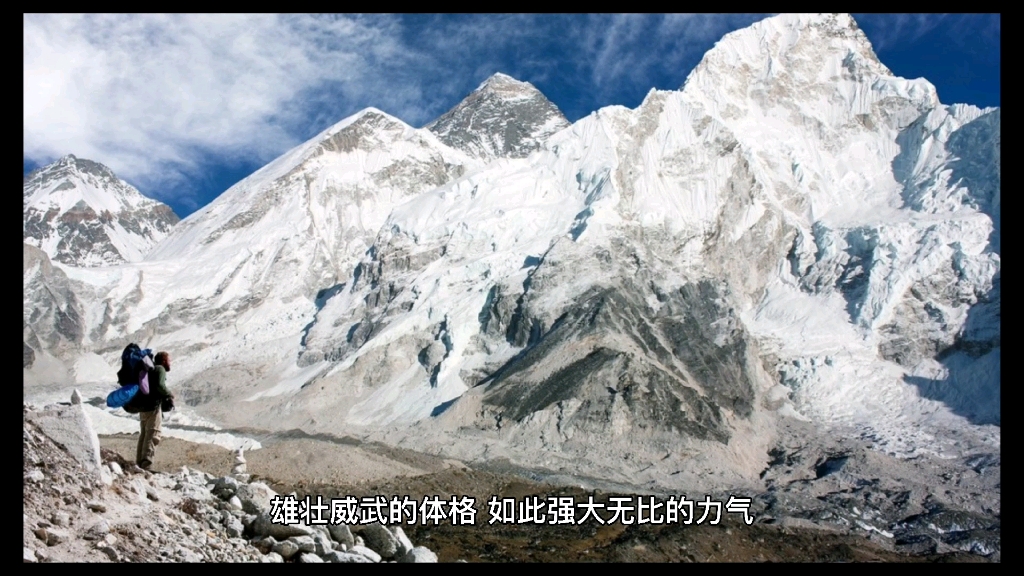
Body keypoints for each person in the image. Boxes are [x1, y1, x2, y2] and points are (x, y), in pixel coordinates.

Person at [133, 350, 175, 470]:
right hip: (153, 406)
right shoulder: (160, 369)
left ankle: (139, 463)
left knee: (144, 434)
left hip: (143, 407)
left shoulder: (150, 370)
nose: (170, 363)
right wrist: (170, 394)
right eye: (169, 361)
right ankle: (147, 464)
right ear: (163, 361)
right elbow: (160, 385)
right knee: (153, 434)